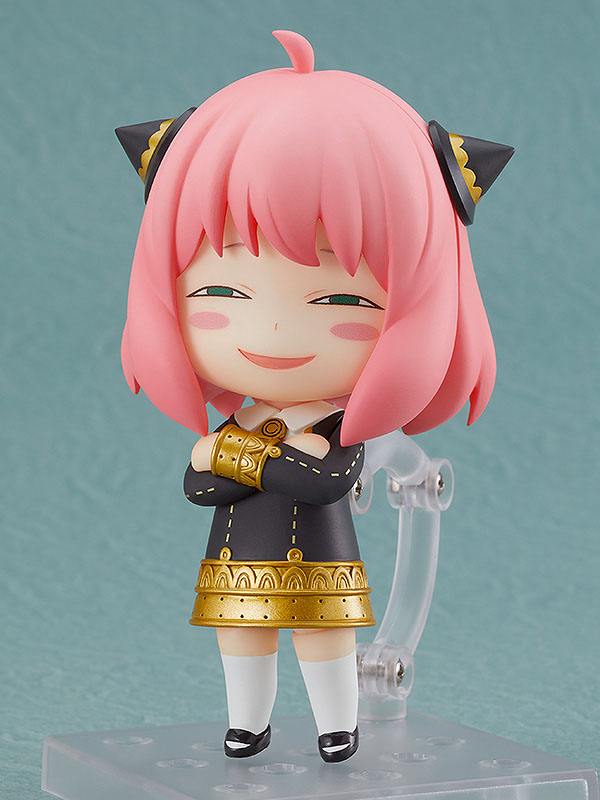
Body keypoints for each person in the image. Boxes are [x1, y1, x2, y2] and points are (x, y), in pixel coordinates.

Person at [116, 29, 512, 762]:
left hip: (323, 562)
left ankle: (338, 725)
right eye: (222, 292)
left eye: (339, 299)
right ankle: (248, 723)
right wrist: (254, 459)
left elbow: (325, 478)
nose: (271, 328)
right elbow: (199, 489)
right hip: (237, 560)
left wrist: (233, 456)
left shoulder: (334, 425)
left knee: (323, 641)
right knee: (242, 638)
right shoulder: (248, 416)